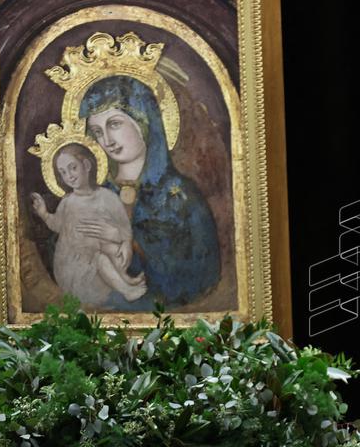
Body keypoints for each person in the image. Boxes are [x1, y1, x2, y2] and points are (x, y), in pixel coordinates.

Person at [79, 75, 221, 308]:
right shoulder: (95, 193)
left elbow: (201, 271)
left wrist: (129, 239)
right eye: (97, 131)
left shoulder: (181, 196)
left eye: (114, 124)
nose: (107, 140)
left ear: (144, 121)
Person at [30, 143, 147, 305]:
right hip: (73, 267)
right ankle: (126, 290)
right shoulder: (68, 202)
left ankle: (126, 280)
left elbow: (124, 227)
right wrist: (44, 214)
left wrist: (126, 242)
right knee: (100, 257)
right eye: (63, 172)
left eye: (73, 168)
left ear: (86, 165)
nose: (69, 176)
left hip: (99, 255)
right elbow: (57, 225)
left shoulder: (108, 197)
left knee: (111, 249)